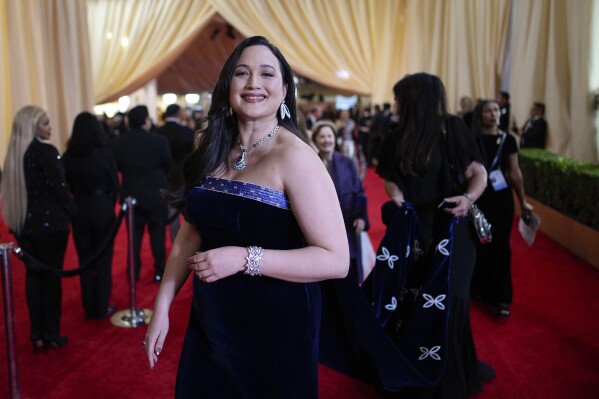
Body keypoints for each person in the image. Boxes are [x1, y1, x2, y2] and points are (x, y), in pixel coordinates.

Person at [143, 36, 349, 398]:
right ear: (227, 86)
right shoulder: (207, 144)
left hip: (276, 326)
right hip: (211, 318)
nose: (254, 83)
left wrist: (243, 257)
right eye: (242, 73)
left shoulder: (296, 158)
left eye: (267, 74)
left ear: (284, 90)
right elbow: (191, 232)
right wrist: (162, 306)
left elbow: (336, 259)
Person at [376, 73, 490, 398]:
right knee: (413, 302)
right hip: (414, 234)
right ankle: (415, 375)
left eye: (399, 98)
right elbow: (390, 179)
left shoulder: (451, 128)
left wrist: (468, 199)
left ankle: (450, 378)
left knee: (450, 303)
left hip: (452, 231)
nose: (395, 104)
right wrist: (395, 194)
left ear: (415, 99)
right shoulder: (395, 137)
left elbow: (478, 172)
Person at [1, 105, 74, 352]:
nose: (50, 127)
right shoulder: (46, 151)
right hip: (52, 226)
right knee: (51, 280)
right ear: (33, 126)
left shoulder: (13, 155)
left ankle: (37, 335)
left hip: (24, 225)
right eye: (45, 123)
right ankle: (51, 333)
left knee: (34, 279)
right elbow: (60, 189)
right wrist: (74, 214)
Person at [470, 100, 534, 318]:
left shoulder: (509, 140)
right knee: (479, 243)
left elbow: (515, 173)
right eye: (488, 110)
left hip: (501, 200)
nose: (493, 114)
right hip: (479, 199)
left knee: (500, 247)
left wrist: (523, 201)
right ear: (481, 115)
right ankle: (477, 289)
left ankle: (501, 297)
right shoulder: (472, 139)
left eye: (496, 110)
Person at [63, 112, 119, 320]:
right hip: (102, 207)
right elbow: (115, 185)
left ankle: (89, 307)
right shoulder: (104, 153)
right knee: (103, 260)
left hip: (79, 208)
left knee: (84, 260)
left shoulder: (68, 156)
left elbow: (66, 186)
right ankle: (102, 306)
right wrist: (109, 205)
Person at [111, 105, 172, 283]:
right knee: (158, 235)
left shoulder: (118, 143)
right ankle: (160, 271)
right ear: (146, 121)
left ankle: (133, 272)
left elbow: (117, 169)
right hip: (155, 194)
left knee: (134, 238)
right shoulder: (159, 140)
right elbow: (166, 166)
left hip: (131, 196)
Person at [312, 120, 370, 283]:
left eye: (329, 136)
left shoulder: (347, 162)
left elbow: (359, 192)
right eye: (322, 136)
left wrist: (361, 217)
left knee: (350, 264)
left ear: (335, 138)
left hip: (348, 221)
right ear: (316, 140)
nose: (326, 140)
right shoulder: (310, 162)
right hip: (322, 225)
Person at [155, 103, 195, 242]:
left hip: (164, 176)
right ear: (178, 114)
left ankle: (174, 243)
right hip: (184, 175)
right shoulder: (187, 132)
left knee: (169, 211)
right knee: (188, 214)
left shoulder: (156, 132)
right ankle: (185, 244)